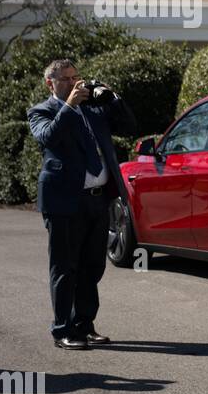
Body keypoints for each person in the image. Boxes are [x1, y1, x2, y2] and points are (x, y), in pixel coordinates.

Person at [28, 59, 137, 350]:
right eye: (66, 79)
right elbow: (47, 137)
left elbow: (128, 125)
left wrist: (113, 97)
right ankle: (62, 330)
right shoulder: (41, 111)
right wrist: (69, 106)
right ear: (50, 83)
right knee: (65, 268)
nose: (76, 83)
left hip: (98, 199)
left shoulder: (93, 109)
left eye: (77, 77)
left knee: (92, 266)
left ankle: (84, 325)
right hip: (64, 200)